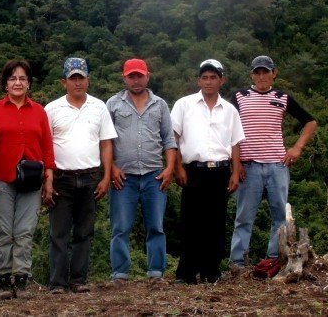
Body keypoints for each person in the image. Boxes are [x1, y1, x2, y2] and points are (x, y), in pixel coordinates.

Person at [229, 56, 318, 269]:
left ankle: (273, 260)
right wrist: (236, 164)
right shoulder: (239, 96)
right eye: (257, 72)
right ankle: (237, 263)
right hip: (248, 166)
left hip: (278, 165)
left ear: (274, 73)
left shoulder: (283, 97)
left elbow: (310, 122)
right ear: (252, 74)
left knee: (280, 217)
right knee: (243, 217)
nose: (261, 76)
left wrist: (297, 148)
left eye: (265, 72)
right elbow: (229, 130)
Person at [0, 60, 56, 299]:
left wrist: (49, 178)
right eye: (12, 78)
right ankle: (2, 279)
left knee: (25, 231)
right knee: (4, 231)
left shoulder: (39, 111)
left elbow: (47, 147)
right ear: (5, 84)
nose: (17, 82)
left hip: (32, 180)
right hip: (2, 178)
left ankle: (22, 279)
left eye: (22, 78)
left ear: (29, 83)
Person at [44, 57, 117, 294]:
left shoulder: (99, 106)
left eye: (81, 78)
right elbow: (46, 146)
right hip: (61, 177)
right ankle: (57, 283)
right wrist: (49, 179)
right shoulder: (51, 109)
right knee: (59, 233)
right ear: (64, 81)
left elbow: (106, 143)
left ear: (88, 80)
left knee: (84, 232)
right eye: (73, 78)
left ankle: (79, 280)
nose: (77, 82)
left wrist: (106, 177)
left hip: (89, 176)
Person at [170, 59, 245, 284]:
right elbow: (173, 138)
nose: (209, 81)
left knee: (216, 222)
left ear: (222, 80)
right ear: (198, 80)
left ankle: (211, 271)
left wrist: (235, 172)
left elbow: (235, 144)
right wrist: (178, 167)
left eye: (213, 77)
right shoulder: (184, 104)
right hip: (194, 170)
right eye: (205, 77)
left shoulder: (230, 110)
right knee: (191, 222)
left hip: (220, 171)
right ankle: (186, 273)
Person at [105, 58, 177, 283]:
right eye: (131, 76)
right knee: (120, 227)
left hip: (154, 174)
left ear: (148, 76)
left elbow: (169, 139)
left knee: (156, 226)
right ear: (124, 77)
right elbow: (105, 140)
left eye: (139, 75)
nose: (136, 80)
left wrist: (170, 169)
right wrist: (112, 168)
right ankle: (120, 273)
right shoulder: (113, 104)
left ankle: (156, 272)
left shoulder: (160, 104)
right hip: (122, 177)